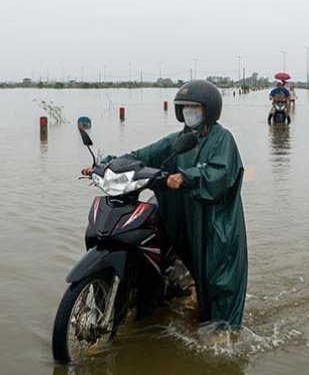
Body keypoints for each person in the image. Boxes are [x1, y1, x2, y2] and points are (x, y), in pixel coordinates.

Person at [83, 79, 248, 330]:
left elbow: (220, 174)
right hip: (182, 218)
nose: (189, 112)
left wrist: (187, 176)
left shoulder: (222, 139)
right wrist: (104, 166)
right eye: (185, 107)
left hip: (213, 224)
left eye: (195, 107)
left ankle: (221, 332)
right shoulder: (177, 140)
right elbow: (141, 156)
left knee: (218, 280)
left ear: (209, 110)